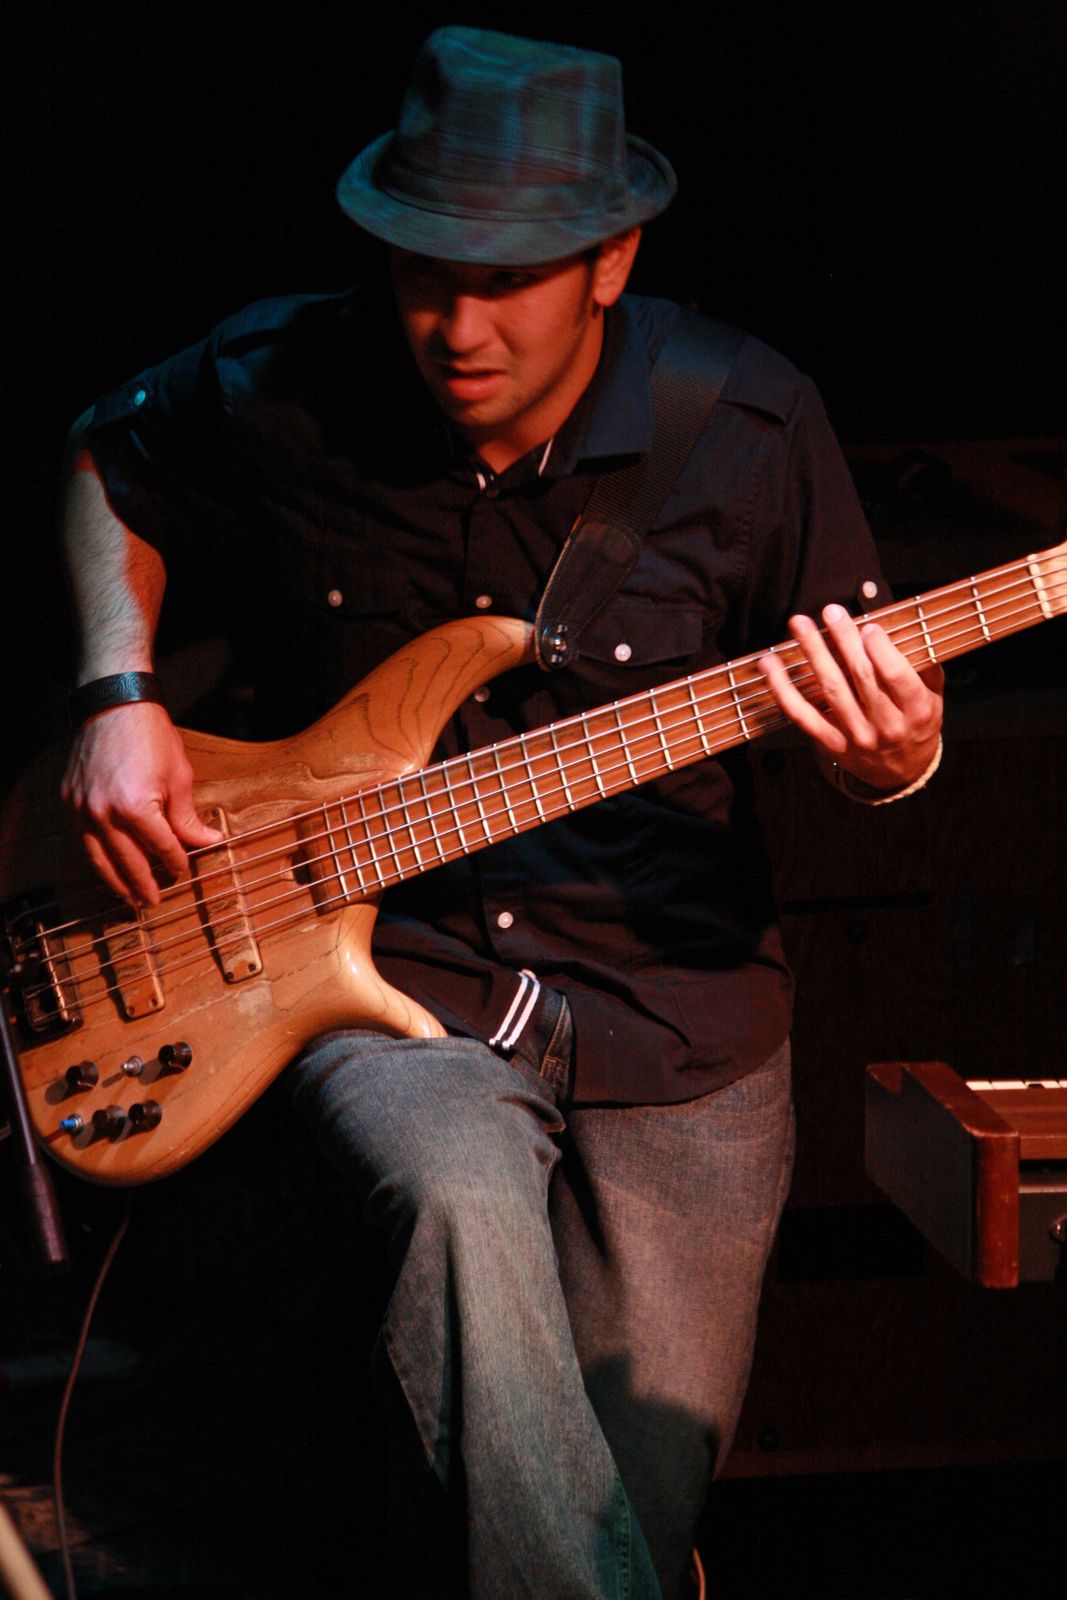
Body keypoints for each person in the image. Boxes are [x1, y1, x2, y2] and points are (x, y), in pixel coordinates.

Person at [59, 26, 943, 1600]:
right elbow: (104, 466)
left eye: (509, 281)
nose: (455, 328)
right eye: (423, 274)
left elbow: (868, 727)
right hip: (387, 980)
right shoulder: (288, 379)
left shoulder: (746, 423)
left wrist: (895, 753)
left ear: (612, 261)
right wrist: (115, 696)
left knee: (614, 1515)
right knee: (454, 1199)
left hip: (676, 1012)